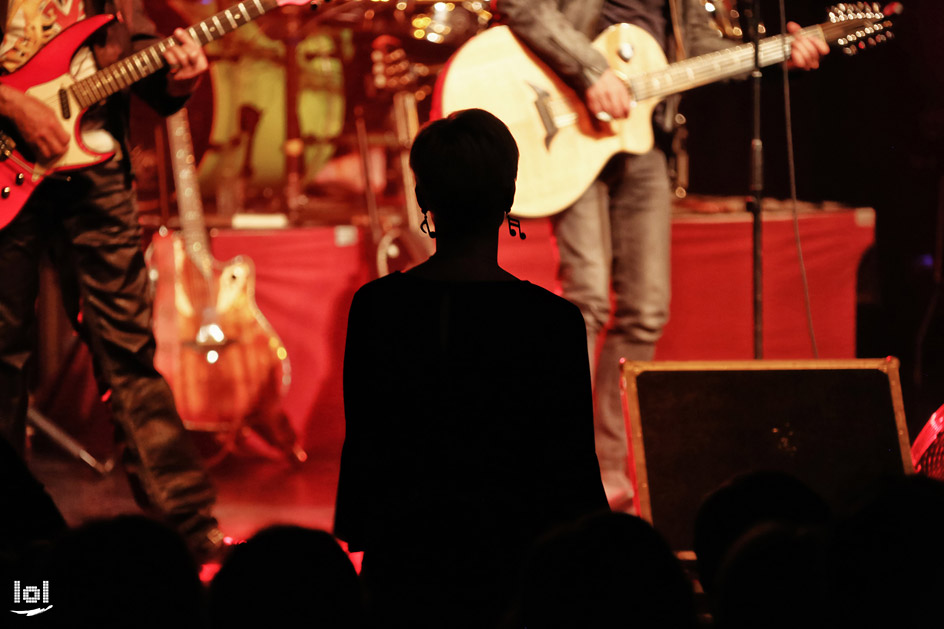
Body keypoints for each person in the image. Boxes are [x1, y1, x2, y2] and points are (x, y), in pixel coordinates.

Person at [498, 0, 830, 509]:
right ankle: (553, 467)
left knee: (647, 310)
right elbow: (521, 7)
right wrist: (591, 69)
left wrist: (776, 54)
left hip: (644, 134)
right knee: (586, 303)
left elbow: (696, 47)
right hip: (569, 111)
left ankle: (608, 472)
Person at [334, 108, 608, 627]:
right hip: (520, 570)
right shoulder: (555, 321)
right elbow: (571, 464)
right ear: (509, 199)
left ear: (424, 198)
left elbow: (367, 441)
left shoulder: (377, 307)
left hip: (406, 565)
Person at [0, 0, 222, 559]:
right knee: (2, 358)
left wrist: (179, 77)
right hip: (7, 162)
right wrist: (11, 104)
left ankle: (189, 530)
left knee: (129, 350)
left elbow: (135, 53)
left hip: (95, 168)